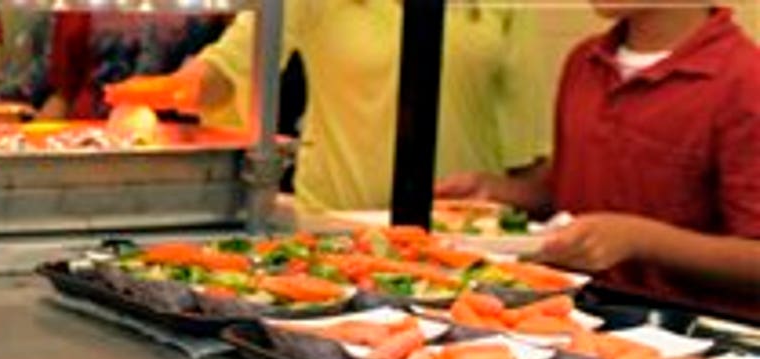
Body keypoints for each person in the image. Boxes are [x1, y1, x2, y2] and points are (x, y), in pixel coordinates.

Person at [439, 5, 759, 319]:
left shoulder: (745, 80)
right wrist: (494, 193)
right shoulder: (585, 61)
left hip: (685, 338)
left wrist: (640, 240)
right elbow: (569, 194)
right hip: (568, 314)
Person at [128, 0, 550, 214]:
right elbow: (235, 60)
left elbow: (533, 166)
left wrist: (500, 192)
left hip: (458, 241)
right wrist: (176, 87)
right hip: (333, 229)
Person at [2, 12, 229, 121]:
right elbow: (63, 93)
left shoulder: (207, 11)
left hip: (183, 155)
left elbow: (228, 72)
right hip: (87, 144)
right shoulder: (79, 11)